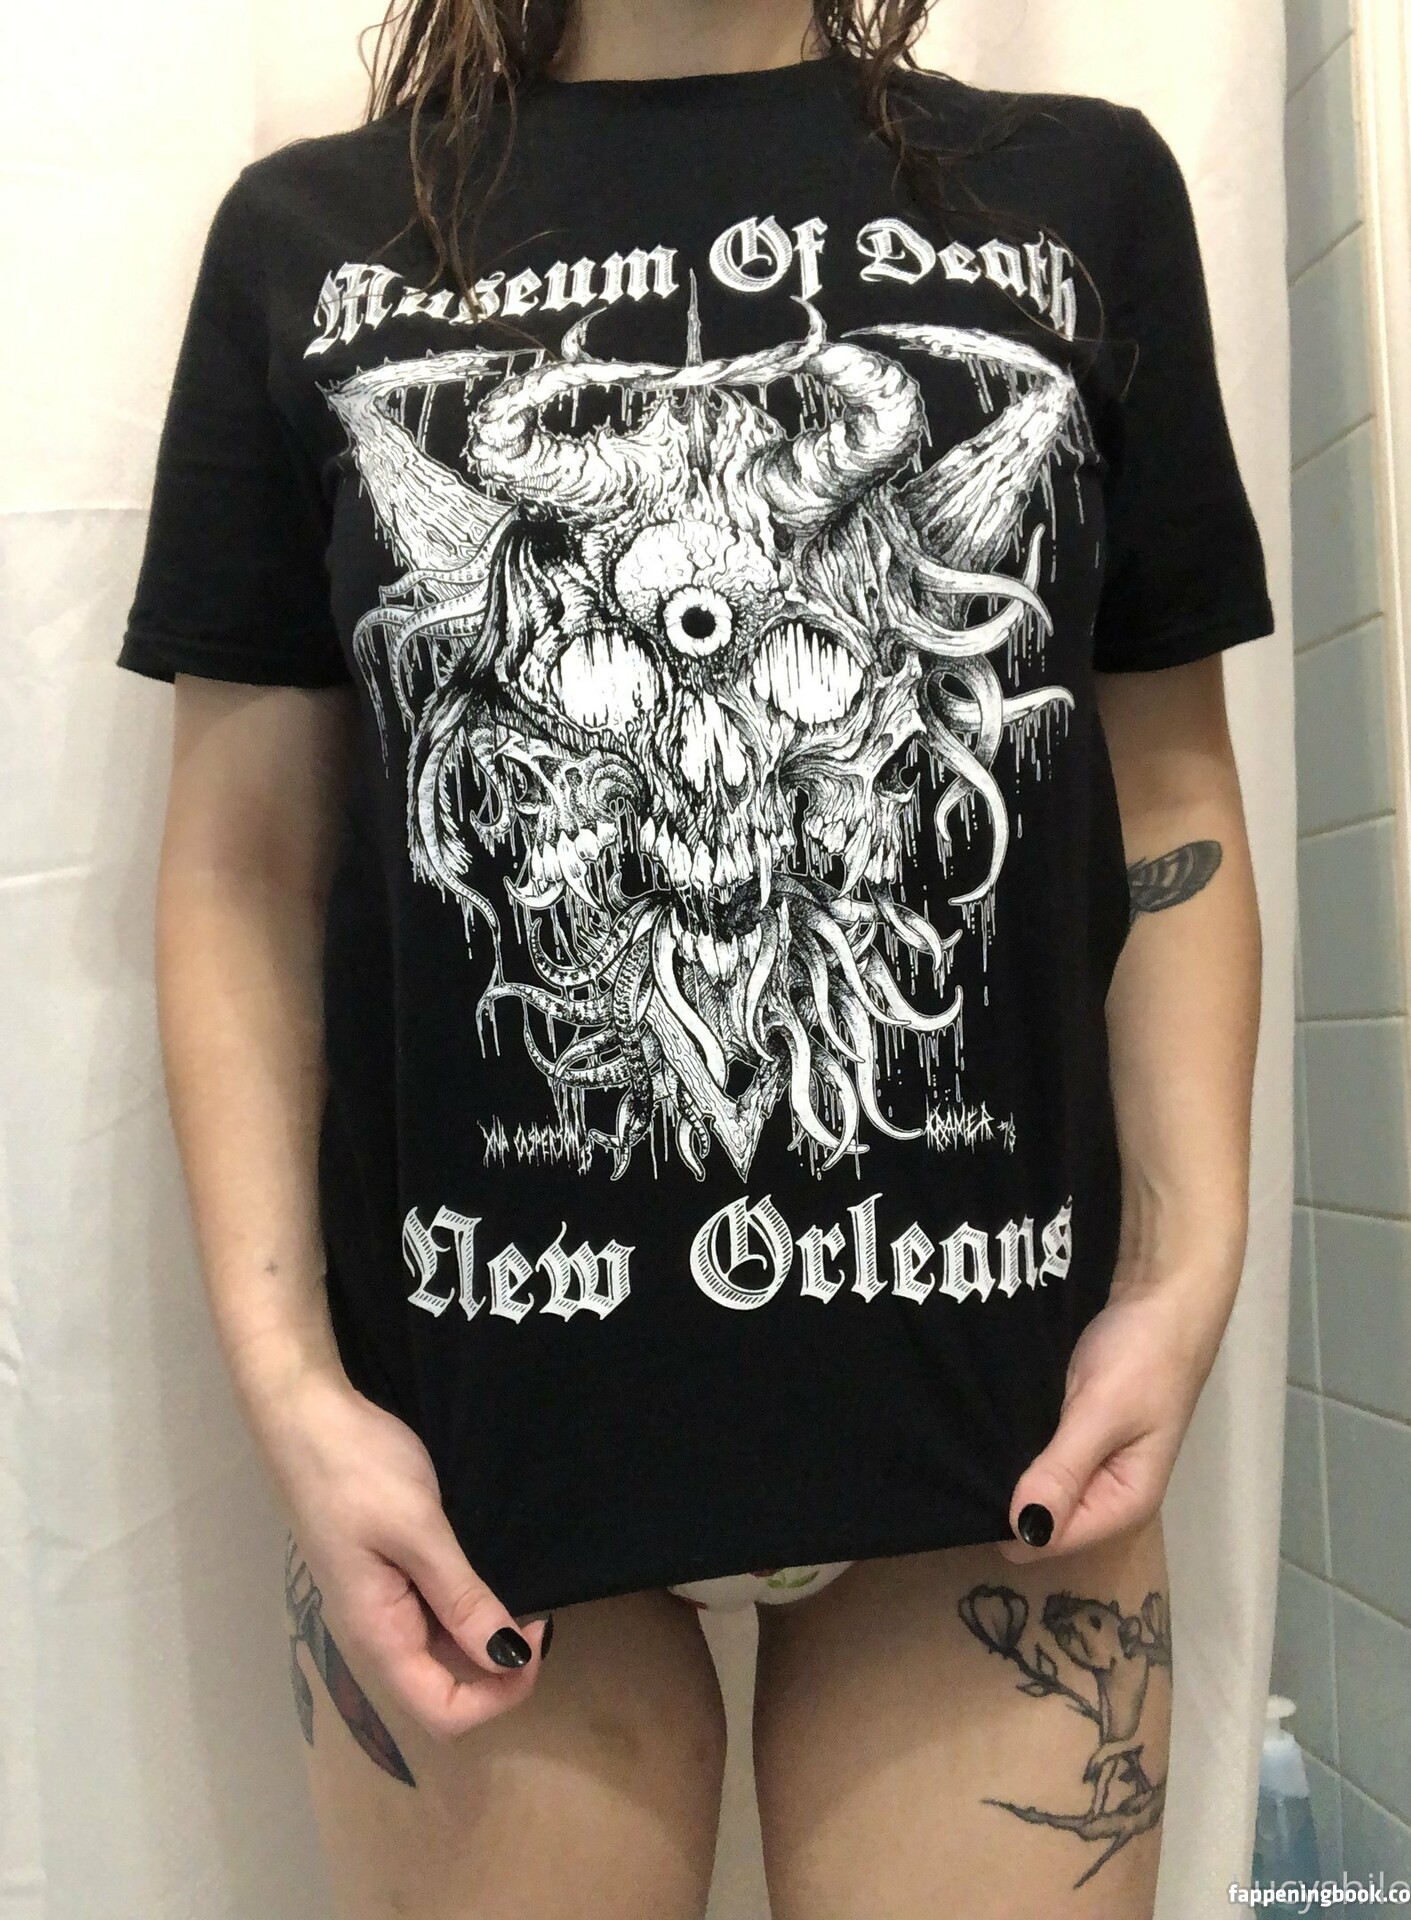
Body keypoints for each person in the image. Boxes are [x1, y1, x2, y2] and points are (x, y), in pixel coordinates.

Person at [118, 0, 1272, 1911]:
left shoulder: (1081, 192)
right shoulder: (309, 239)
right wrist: (290, 1385)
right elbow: (241, 865)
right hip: (469, 1466)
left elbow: (1165, 793)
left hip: (998, 1437)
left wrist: (1189, 1263)